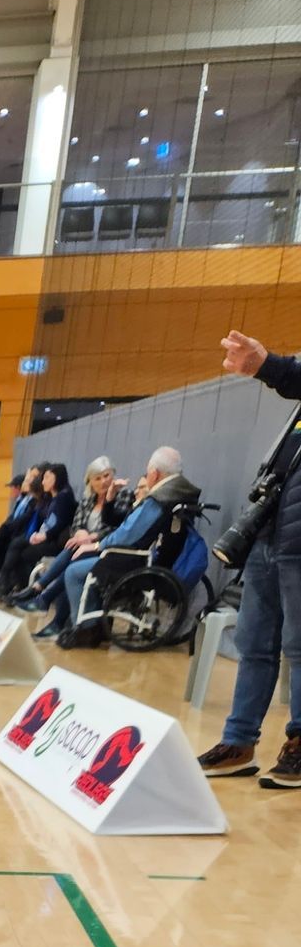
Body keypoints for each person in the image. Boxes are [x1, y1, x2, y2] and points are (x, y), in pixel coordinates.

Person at [196, 329, 301, 788]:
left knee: (300, 649)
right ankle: (238, 743)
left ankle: (298, 743)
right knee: (254, 645)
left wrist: (268, 365)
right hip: (269, 537)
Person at [46, 446, 201, 646]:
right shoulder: (182, 492)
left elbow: (127, 534)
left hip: (137, 560)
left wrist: (97, 545)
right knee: (75, 556)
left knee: (74, 572)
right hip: (154, 557)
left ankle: (86, 628)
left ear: (154, 473)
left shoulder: (160, 499)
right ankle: (86, 621)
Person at [17, 455, 129, 622]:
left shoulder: (124, 495)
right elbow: (75, 525)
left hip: (104, 548)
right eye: (98, 478)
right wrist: (80, 534)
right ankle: (49, 610)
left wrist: (91, 537)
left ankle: (41, 593)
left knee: (72, 563)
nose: (104, 481)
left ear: (113, 474)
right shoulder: (86, 501)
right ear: (91, 481)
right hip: (81, 547)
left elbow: (118, 528)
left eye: (107, 475)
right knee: (72, 553)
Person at [0, 462, 73, 601]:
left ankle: (18, 587)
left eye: (47, 478)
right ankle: (9, 583)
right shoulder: (53, 497)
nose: (43, 481)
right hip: (47, 537)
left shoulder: (63, 497)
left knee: (23, 552)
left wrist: (43, 536)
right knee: (16, 545)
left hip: (55, 542)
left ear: (57, 479)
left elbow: (59, 524)